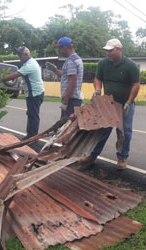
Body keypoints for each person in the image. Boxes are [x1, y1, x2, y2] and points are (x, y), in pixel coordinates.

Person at [80, 38, 140, 171]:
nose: (108, 53)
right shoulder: (103, 64)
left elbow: (136, 85)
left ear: (119, 50)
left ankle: (122, 158)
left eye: (111, 51)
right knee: (101, 130)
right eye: (107, 51)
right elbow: (98, 78)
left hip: (125, 104)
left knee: (124, 132)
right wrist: (97, 89)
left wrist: (129, 103)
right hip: (108, 103)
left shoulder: (130, 65)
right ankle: (92, 155)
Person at [0, 46, 45, 140]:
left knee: (33, 115)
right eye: (18, 54)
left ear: (26, 55)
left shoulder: (30, 65)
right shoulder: (28, 63)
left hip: (35, 94)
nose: (19, 57)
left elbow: (16, 75)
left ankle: (32, 137)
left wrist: (0, 80)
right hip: (33, 93)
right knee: (31, 114)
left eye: (20, 55)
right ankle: (30, 135)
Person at [46, 37, 83, 118]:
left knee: (66, 125)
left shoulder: (71, 61)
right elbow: (65, 77)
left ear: (65, 47)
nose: (60, 51)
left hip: (71, 100)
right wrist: (55, 70)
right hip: (73, 99)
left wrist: (65, 101)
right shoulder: (76, 59)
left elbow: (72, 82)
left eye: (60, 48)